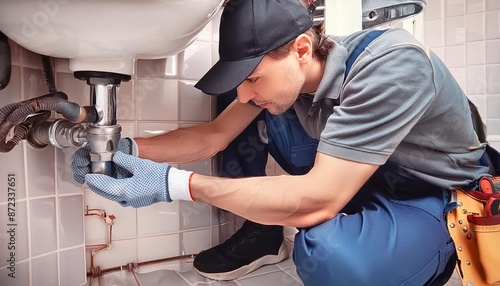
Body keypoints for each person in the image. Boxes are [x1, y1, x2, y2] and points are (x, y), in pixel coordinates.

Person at [71, 0, 495, 284]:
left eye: (253, 76)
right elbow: (213, 136)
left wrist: (173, 185)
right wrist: (127, 151)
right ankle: (266, 229)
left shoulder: (392, 65)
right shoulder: (288, 81)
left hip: (436, 195)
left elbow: (321, 200)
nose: (244, 92)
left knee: (330, 256)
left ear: (301, 48)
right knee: (261, 106)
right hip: (367, 180)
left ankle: (431, 258)